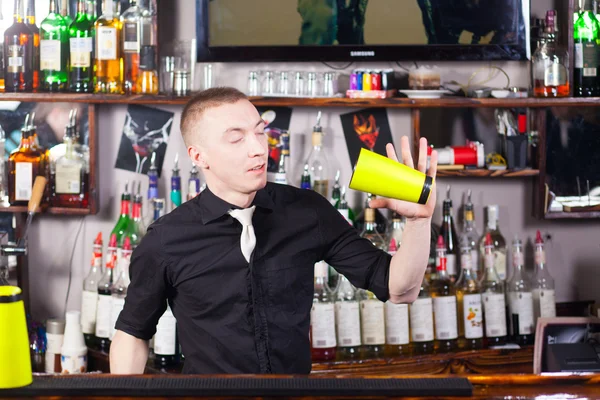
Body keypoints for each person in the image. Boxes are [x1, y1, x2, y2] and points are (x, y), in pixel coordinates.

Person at [110, 87, 438, 374]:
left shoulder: (307, 211)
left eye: (260, 132)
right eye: (237, 138)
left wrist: (418, 221)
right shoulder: (167, 239)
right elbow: (132, 332)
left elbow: (400, 289)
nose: (257, 148)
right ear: (199, 156)